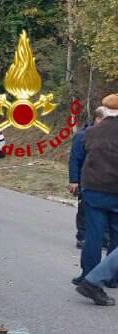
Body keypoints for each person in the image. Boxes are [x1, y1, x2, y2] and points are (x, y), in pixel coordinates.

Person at [75, 93, 118, 298]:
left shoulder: (91, 132)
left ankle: (88, 275)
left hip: (93, 190)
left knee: (93, 236)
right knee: (116, 237)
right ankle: (110, 276)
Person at [69, 107, 107, 249]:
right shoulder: (82, 136)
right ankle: (82, 237)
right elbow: (75, 159)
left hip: (103, 181)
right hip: (85, 180)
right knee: (85, 209)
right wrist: (74, 180)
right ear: (97, 119)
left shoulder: (108, 136)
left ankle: (104, 239)